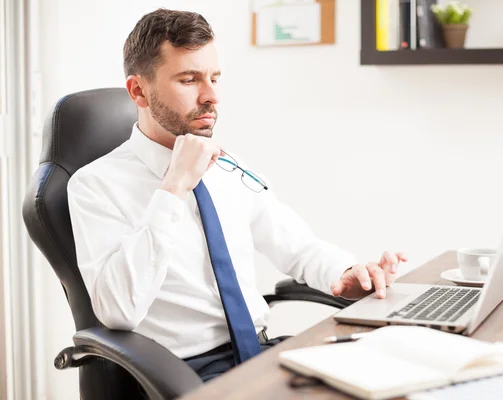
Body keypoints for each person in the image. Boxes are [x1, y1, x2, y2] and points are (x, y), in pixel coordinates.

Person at [66, 8, 407, 384]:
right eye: (189, 79)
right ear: (138, 91)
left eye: (214, 77)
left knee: (395, 373)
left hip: (262, 352)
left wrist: (346, 273)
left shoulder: (227, 168)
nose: (211, 96)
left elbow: (299, 247)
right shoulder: (94, 185)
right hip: (188, 373)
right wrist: (174, 186)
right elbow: (118, 311)